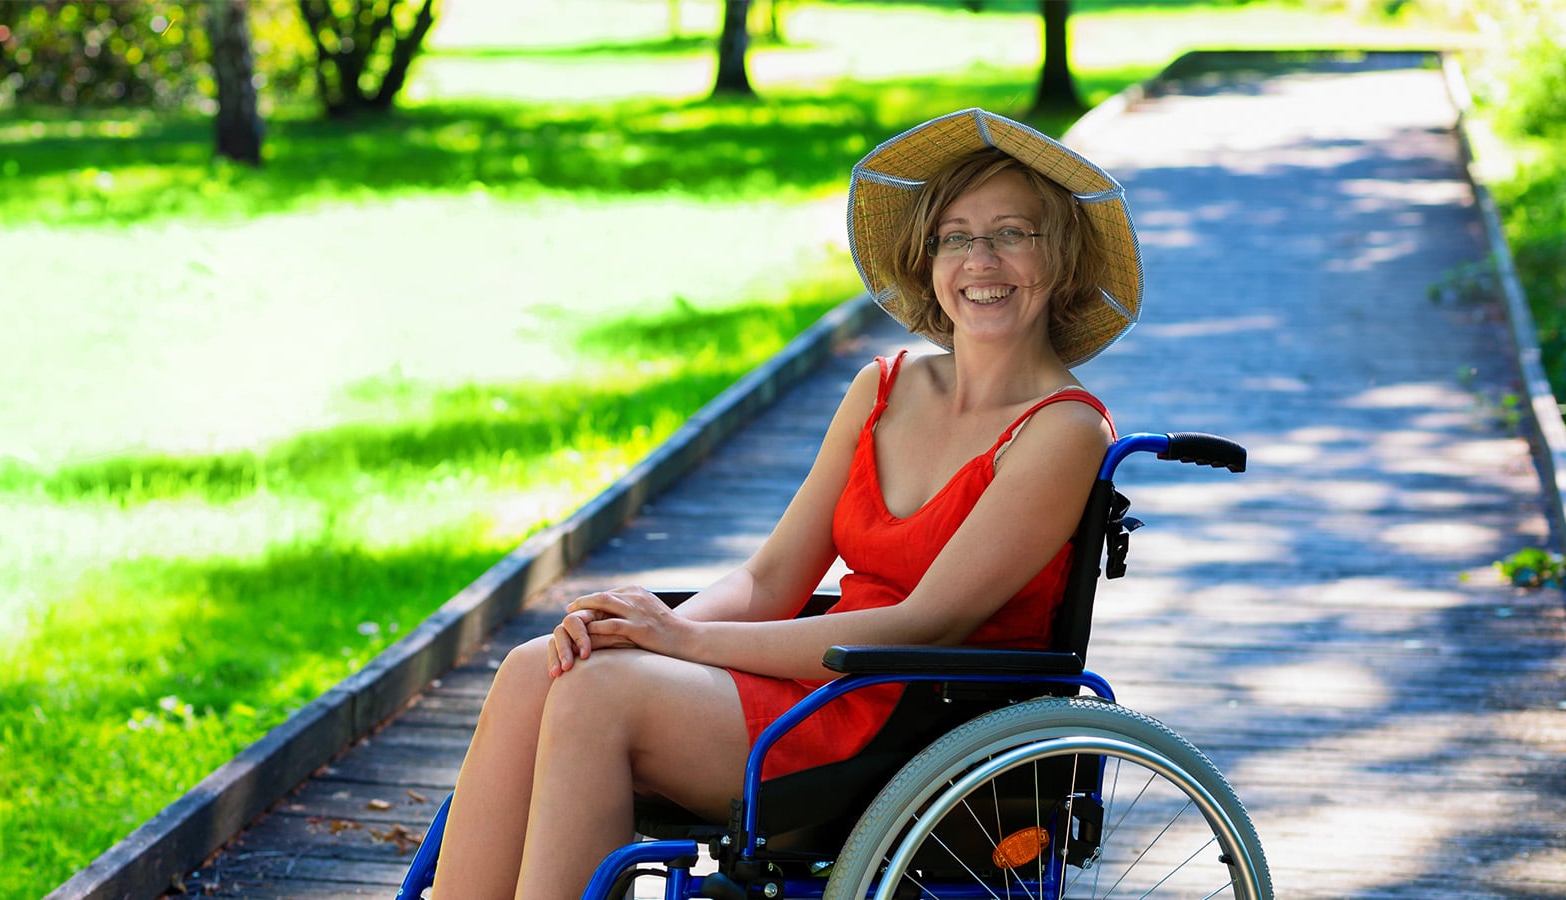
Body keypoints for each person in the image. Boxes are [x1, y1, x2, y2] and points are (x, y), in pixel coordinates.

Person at [428, 108, 1144, 899]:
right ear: (929, 258)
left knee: (597, 695)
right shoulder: (885, 386)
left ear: (1063, 258)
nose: (982, 259)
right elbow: (772, 580)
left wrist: (681, 642)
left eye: (1015, 233)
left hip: (911, 713)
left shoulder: (1064, 430)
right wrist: (641, 625)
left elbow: (924, 624)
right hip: (820, 673)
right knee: (545, 664)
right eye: (956, 236)